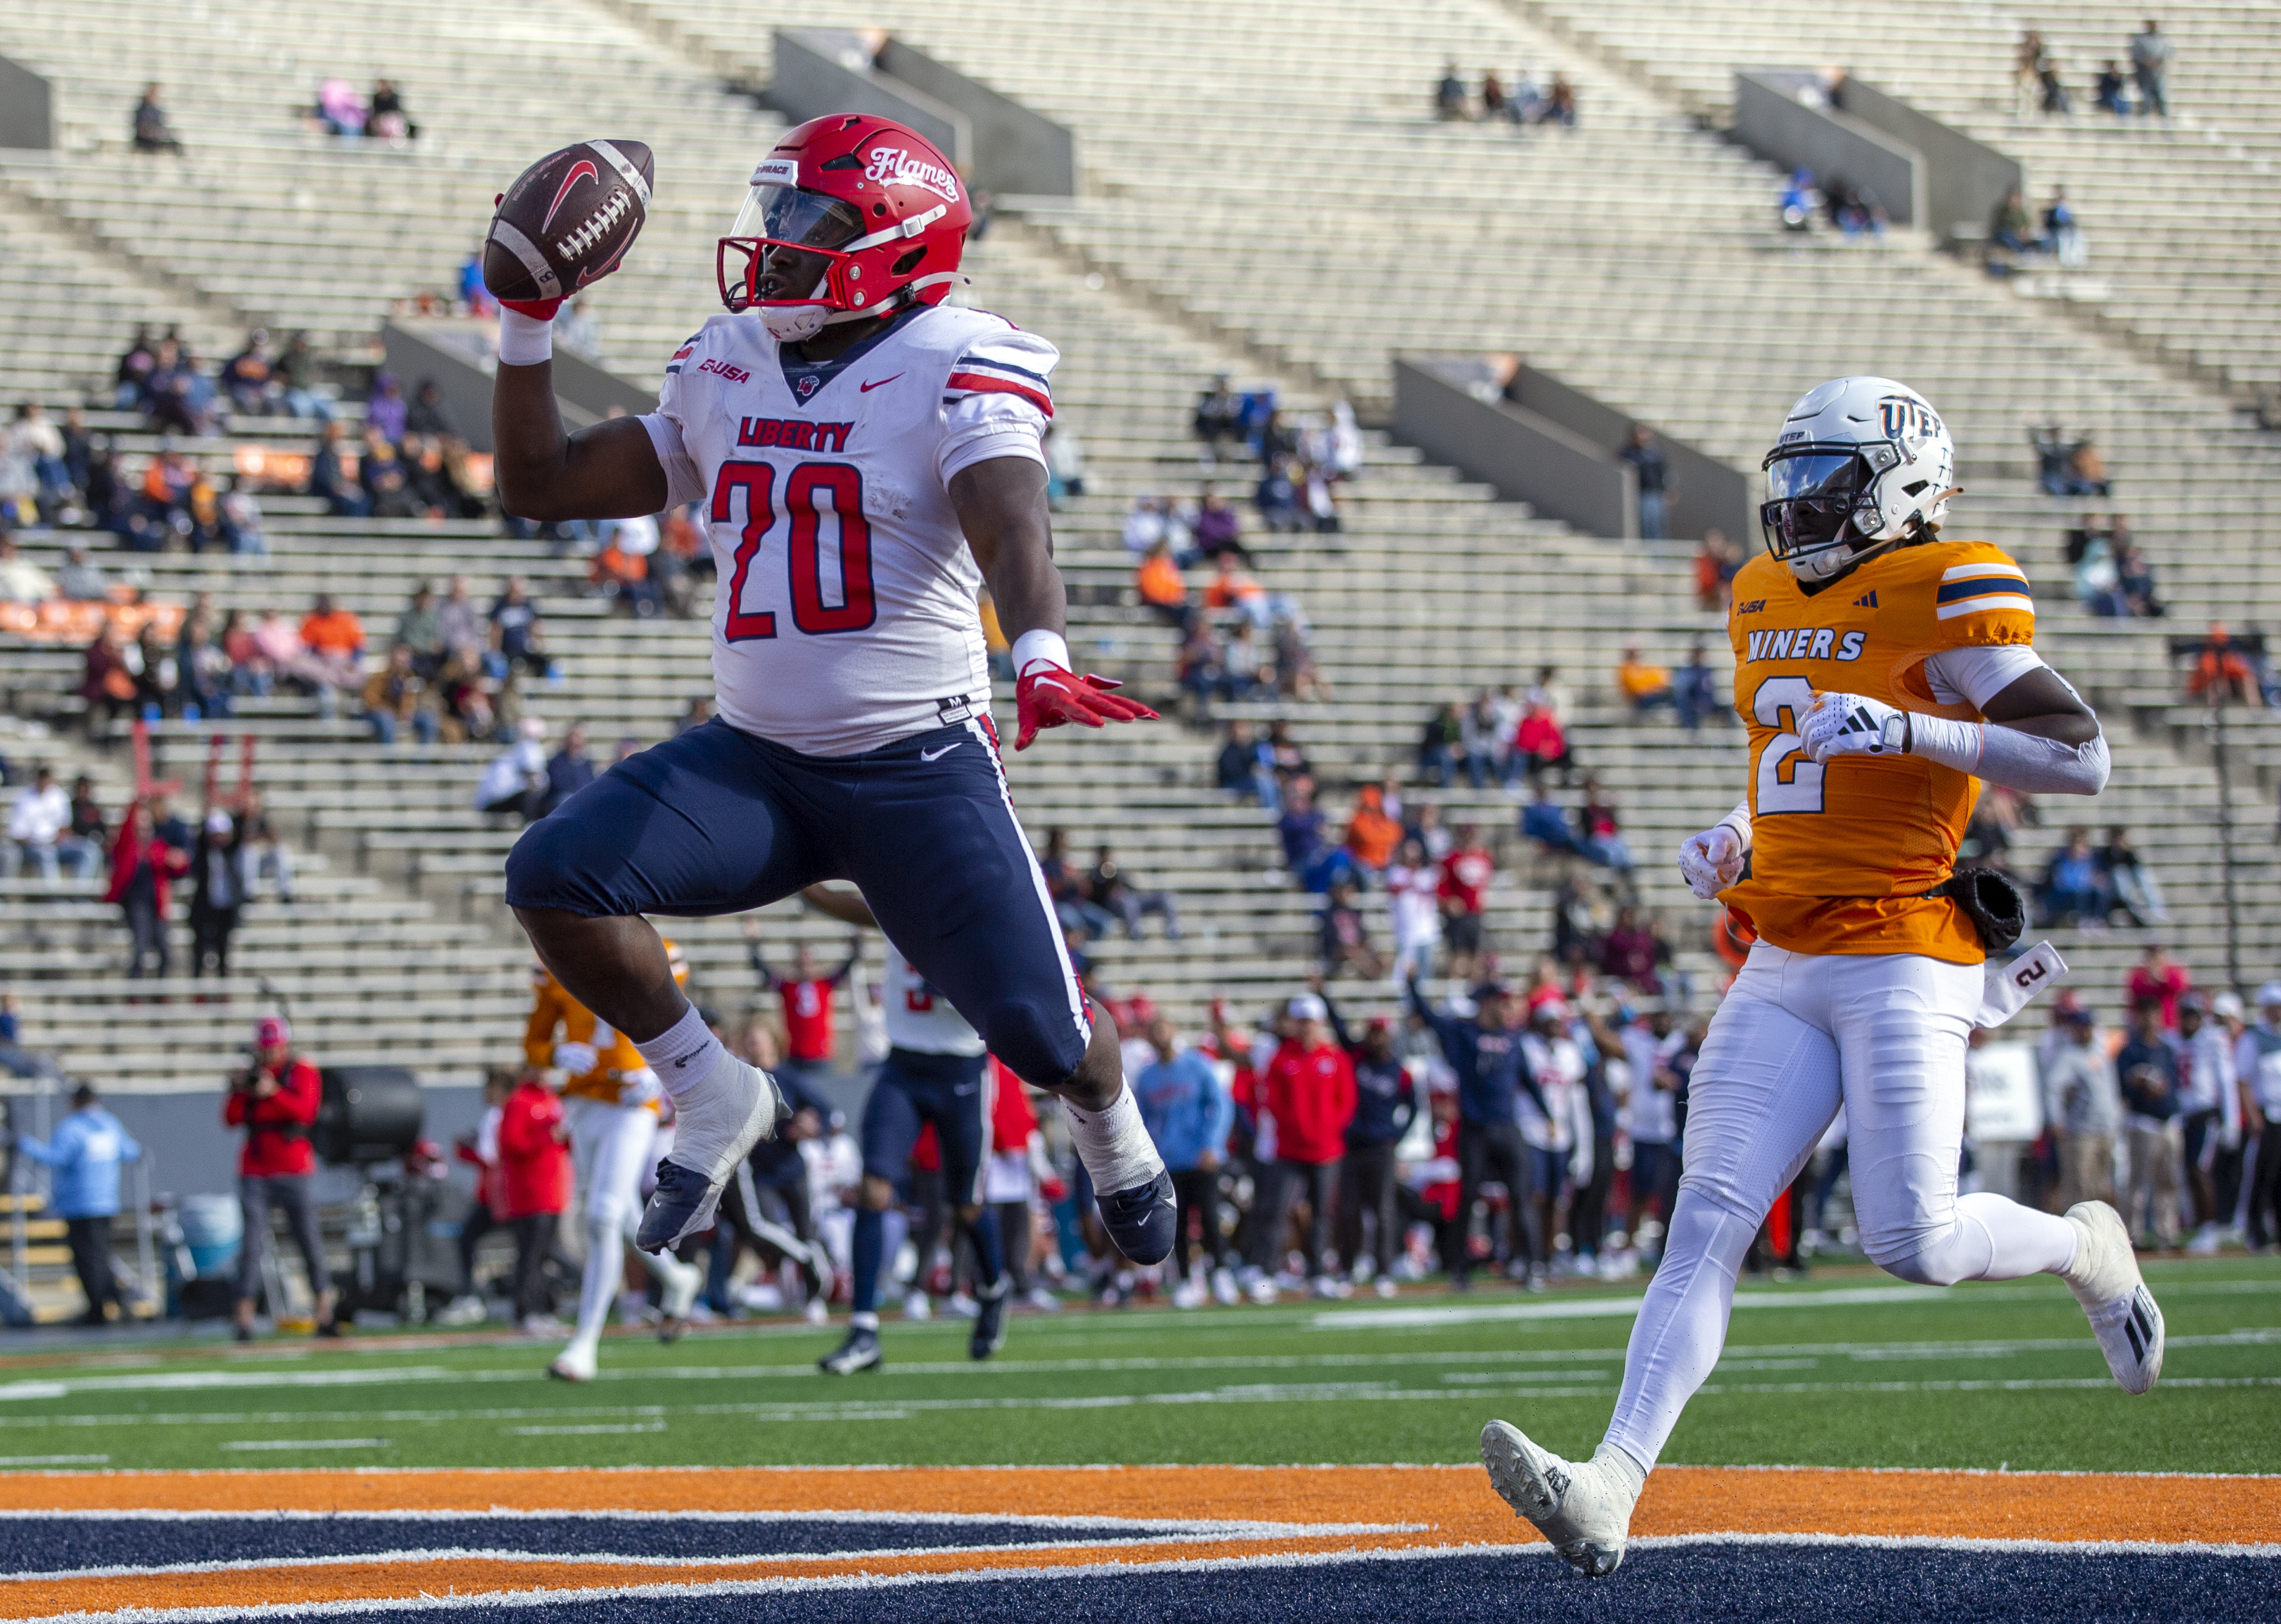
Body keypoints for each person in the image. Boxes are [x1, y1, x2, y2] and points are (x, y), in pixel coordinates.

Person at [1485, 375, 2152, 1578]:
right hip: (1786, 944)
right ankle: (1610, 1487)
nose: (1794, 505)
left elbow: (2080, 755)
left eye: (1824, 479)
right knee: (1706, 1220)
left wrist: (1916, 731)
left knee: (1914, 1239)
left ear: (1896, 484)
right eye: (1787, 479)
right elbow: (1794, 759)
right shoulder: (1757, 592)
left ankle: (2082, 1249)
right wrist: (1738, 830)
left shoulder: (1949, 581)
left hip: (1905, 945)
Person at [492, 115, 1172, 1281]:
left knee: (1046, 1041)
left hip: (915, 767)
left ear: (896, 244)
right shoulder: (726, 357)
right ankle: (712, 1093)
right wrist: (526, 323)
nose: (775, 242)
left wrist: (1042, 650)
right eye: (778, 214)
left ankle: (1113, 1130)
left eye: (807, 220)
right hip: (754, 762)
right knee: (555, 876)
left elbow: (1012, 520)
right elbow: (542, 484)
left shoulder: (960, 356)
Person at [801, 883, 1018, 1369]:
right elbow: (854, 906)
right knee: (873, 1188)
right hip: (902, 1068)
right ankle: (864, 1331)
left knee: (966, 1204)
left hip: (961, 1071)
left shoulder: (983, 918)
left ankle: (993, 1286)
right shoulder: (904, 905)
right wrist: (797, 878)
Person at [527, 945, 703, 1381]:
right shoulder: (555, 956)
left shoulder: (658, 953)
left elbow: (683, 1028)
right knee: (619, 1208)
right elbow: (534, 1042)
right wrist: (555, 1056)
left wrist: (658, 1073)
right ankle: (677, 1279)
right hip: (583, 1104)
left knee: (603, 1215)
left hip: (632, 1101)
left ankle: (585, 1344)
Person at [1409, 976, 1534, 1286]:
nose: (1507, 1008)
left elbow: (1527, 1078)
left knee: (1520, 1196)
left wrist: (1546, 1114)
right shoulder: (1463, 1034)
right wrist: (1412, 984)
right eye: (1500, 1001)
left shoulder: (1513, 1038)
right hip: (1476, 1129)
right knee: (1467, 1198)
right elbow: (1430, 1018)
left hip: (1507, 1127)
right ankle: (1458, 1268)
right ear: (1486, 1003)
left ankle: (1530, 1265)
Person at [226, 1017, 340, 1340]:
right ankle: (244, 1319)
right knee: (251, 1245)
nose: (268, 1055)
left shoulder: (300, 1072)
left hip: (293, 1169)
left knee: (308, 1241)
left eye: (273, 1048)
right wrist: (240, 1089)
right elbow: (231, 1118)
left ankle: (324, 1312)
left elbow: (305, 1111)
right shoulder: (251, 1076)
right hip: (256, 1169)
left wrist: (272, 1092)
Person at [1253, 995, 1356, 1299]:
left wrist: (1327, 1131)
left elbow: (1346, 1102)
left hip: (1326, 1150)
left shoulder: (1335, 1058)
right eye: (1302, 1021)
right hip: (1289, 1149)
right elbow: (1272, 1100)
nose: (1306, 1027)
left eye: (1311, 1021)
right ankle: (1268, 1273)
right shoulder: (1282, 1059)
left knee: (1322, 1214)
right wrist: (1294, 1129)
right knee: (1277, 1210)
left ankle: (1319, 1274)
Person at [13, 1083, 142, 1325]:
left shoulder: (72, 1128)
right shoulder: (109, 1124)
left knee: (86, 1260)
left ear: (75, 1102)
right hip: (106, 1203)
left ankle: (99, 1309)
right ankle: (117, 1301)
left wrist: (25, 1145)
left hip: (79, 1205)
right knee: (102, 1256)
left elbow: (55, 1158)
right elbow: (131, 1151)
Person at [1134, 1011, 1235, 1308]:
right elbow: (1141, 1121)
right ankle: (1188, 1280)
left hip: (1200, 1157)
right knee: (1175, 1225)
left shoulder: (1197, 1066)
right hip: (1168, 1161)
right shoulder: (1148, 1076)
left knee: (1209, 1217)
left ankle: (1220, 1273)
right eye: (1155, 1030)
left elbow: (1220, 1106)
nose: (1160, 1035)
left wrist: (1213, 1145)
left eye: (1164, 1027)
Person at [1321, 989, 1414, 1295]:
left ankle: (1384, 1271)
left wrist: (1397, 1136)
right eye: (1372, 1033)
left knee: (1383, 1211)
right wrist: (1324, 993)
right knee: (1348, 1211)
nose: (1376, 1039)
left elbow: (1414, 1106)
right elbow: (1338, 1027)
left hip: (1381, 1149)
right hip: (1352, 1148)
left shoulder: (1398, 1070)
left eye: (1380, 1034)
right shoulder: (1355, 1058)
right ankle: (1347, 1271)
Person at [498, 1061, 571, 1333]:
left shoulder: (553, 1100)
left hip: (553, 1191)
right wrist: (545, 1137)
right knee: (530, 1255)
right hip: (529, 1191)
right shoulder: (520, 1101)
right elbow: (511, 1143)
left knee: (544, 1256)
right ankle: (525, 1312)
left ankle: (543, 1309)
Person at [746, 921, 860, 1092]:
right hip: (795, 1057)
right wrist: (753, 941)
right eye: (801, 961)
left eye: (808, 961)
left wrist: (856, 938)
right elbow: (762, 969)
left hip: (821, 1057)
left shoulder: (824, 984)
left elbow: (848, 966)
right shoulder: (787, 987)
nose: (805, 965)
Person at [2172, 995, 2239, 1254]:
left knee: (2200, 1171)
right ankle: (2200, 1226)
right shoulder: (2174, 1039)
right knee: (2189, 1173)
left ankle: (2209, 1228)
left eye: (2194, 1015)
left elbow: (2226, 1081)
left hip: (2205, 1114)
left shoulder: (2213, 1039)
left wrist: (2231, 1120)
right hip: (2184, 1116)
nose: (2189, 1020)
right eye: (2185, 1015)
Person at [2115, 1001, 2182, 1249]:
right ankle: (2135, 1234)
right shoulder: (2130, 1051)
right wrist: (2143, 1086)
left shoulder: (2166, 1049)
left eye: (2154, 1014)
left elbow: (2173, 1083)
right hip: (2143, 1121)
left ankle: (2167, 1233)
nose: (2150, 1020)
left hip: (2167, 1121)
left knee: (2168, 1181)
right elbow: (2124, 1085)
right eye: (2146, 1014)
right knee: (2138, 1182)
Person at [106, 802, 188, 981]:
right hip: (137, 904)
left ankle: (160, 994)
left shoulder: (158, 846)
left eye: (147, 824)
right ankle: (134, 995)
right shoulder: (127, 847)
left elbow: (178, 867)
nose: (144, 828)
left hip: (156, 905)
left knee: (166, 953)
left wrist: (179, 860)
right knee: (140, 949)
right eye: (140, 823)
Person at [2238, 984, 2281, 1250]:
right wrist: (2253, 1115)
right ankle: (2256, 1232)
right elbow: (2243, 1081)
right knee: (2262, 1175)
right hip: (2267, 1115)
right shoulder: (2253, 1039)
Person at [187, 810, 253, 979]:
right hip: (205, 908)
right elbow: (201, 839)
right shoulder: (203, 853)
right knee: (200, 951)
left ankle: (223, 990)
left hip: (225, 908)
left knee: (223, 950)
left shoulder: (230, 853)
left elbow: (238, 835)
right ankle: (198, 992)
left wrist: (242, 813)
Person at [8, 766, 88, 881]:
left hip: (57, 845)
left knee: (88, 851)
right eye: (41, 777)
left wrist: (55, 840)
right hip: (32, 847)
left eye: (46, 777)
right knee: (46, 853)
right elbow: (18, 833)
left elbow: (65, 827)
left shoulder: (60, 796)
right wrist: (38, 842)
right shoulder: (23, 798)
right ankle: (54, 896)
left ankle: (80, 894)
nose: (44, 781)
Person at [1439, 827, 1495, 982]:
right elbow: (1442, 886)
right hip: (1459, 915)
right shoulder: (1451, 858)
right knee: (1458, 954)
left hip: (1475, 912)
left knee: (1475, 954)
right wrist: (1448, 901)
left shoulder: (1484, 857)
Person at [1618, 427, 1669, 541]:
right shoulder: (1630, 453)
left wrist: (1667, 490)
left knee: (1658, 527)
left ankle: (1659, 556)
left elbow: (1664, 473)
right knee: (1645, 526)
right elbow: (1619, 460)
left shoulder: (1655, 454)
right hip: (1642, 494)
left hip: (1656, 495)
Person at [1615, 645, 1677, 719]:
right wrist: (1654, 689)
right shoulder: (1626, 669)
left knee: (1674, 694)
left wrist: (1655, 688)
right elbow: (1637, 691)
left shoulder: (1642, 667)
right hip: (1640, 700)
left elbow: (1661, 679)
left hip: (1650, 695)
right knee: (1670, 695)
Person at [2129, 18, 2174, 118]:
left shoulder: (2164, 40)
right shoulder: (2140, 40)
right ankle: (2143, 123)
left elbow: (2167, 54)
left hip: (2159, 75)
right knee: (2146, 100)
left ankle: (2165, 123)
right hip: (2144, 75)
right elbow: (2136, 55)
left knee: (2162, 99)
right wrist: (2147, 62)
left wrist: (2158, 63)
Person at [131, 84, 183, 154]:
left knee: (174, 143)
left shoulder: (157, 111)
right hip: (144, 139)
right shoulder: (141, 111)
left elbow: (160, 125)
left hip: (156, 137)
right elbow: (140, 127)